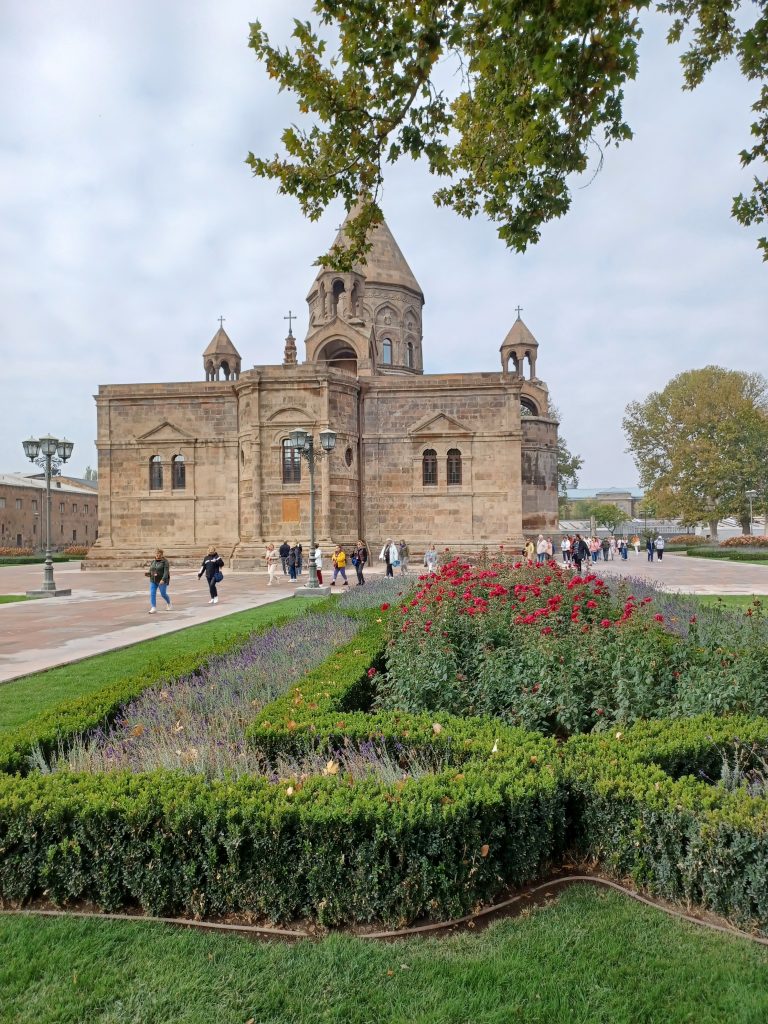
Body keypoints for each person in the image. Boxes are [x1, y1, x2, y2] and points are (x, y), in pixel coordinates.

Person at [146, 548, 171, 613]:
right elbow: (151, 569)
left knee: (163, 594)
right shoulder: (153, 561)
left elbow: (166, 572)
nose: (157, 555)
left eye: (159, 553)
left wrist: (163, 579)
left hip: (161, 580)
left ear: (162, 554)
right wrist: (148, 574)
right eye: (156, 553)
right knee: (152, 593)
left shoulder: (165, 562)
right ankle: (153, 607)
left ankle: (169, 603)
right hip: (153, 580)